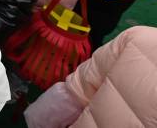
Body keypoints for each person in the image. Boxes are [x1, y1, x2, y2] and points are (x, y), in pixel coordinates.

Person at [24, 26, 157, 128]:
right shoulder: (139, 38)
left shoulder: (141, 37)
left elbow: (77, 91)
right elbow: (78, 90)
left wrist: (39, 121)